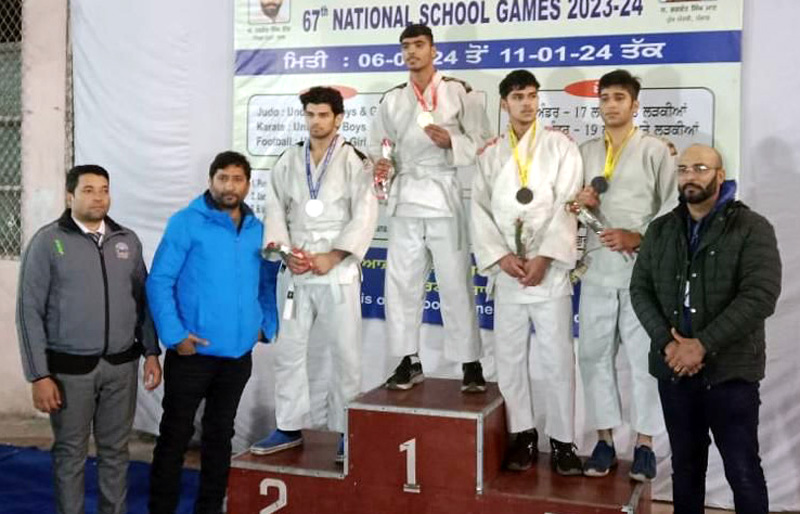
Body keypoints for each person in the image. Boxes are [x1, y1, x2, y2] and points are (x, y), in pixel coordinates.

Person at [630, 144, 781, 514]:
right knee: (685, 468)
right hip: (675, 372)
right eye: (683, 169)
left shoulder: (751, 227)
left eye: (700, 168)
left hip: (730, 373)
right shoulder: (661, 229)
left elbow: (760, 295)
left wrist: (702, 344)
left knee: (742, 470)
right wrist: (668, 344)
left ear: (720, 175)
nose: (690, 176)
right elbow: (640, 289)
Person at [16, 164, 161, 514]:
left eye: (104, 190)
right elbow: (29, 311)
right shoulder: (48, 242)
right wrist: (39, 375)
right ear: (70, 196)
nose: (98, 197)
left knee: (116, 452)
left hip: (121, 368)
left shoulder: (126, 240)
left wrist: (152, 352)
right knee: (71, 453)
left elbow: (143, 301)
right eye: (89, 190)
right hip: (69, 373)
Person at [250, 87, 378, 461]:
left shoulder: (356, 160)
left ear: (339, 118)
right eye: (310, 114)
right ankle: (288, 425)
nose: (316, 121)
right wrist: (285, 253)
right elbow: (275, 209)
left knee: (345, 354)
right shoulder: (289, 159)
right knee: (289, 350)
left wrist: (334, 255)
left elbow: (365, 214)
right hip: (297, 268)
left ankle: (346, 430)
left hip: (338, 270)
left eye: (323, 115)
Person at [146, 151, 278, 514]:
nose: (229, 186)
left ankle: (209, 508)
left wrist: (267, 325)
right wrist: (175, 336)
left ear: (248, 185)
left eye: (237, 179)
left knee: (221, 437)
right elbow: (159, 281)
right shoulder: (186, 223)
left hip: (236, 357)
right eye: (223, 178)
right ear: (210, 181)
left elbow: (268, 282)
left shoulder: (258, 230)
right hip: (192, 355)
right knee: (175, 435)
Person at [471, 70, 583, 475]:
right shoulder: (490, 153)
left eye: (532, 96)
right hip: (509, 273)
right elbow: (478, 210)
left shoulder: (561, 146)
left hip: (547, 272)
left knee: (558, 358)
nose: (527, 104)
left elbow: (569, 204)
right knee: (510, 357)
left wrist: (546, 257)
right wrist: (500, 256)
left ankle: (564, 440)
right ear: (504, 103)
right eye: (518, 97)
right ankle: (523, 434)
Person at [368, 24, 491, 392]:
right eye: (406, 46)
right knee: (401, 283)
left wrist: (451, 141)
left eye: (419, 45)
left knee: (455, 281)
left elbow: (483, 142)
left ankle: (470, 361)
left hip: (443, 194)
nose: (412, 52)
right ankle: (408, 359)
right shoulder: (393, 99)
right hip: (406, 196)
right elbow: (378, 146)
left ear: (434, 50)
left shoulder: (458, 92)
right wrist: (382, 164)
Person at [574, 69, 677, 481]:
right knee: (593, 355)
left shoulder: (655, 150)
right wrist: (578, 202)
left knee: (644, 359)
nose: (611, 105)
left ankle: (645, 444)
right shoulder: (584, 152)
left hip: (641, 271)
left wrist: (640, 236)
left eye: (619, 98)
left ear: (635, 105)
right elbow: (568, 207)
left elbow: (673, 207)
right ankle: (603, 441)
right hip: (598, 267)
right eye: (605, 98)